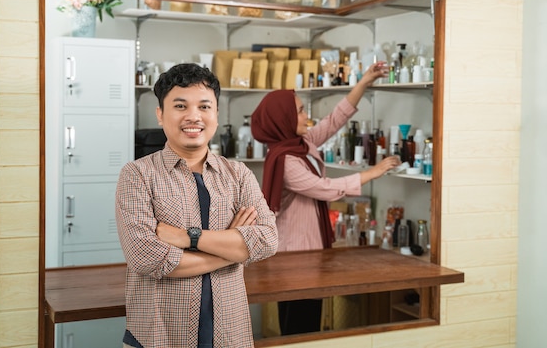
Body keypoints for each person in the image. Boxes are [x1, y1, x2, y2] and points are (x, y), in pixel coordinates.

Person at [116, 63, 278, 348]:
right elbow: (146, 257)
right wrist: (234, 252)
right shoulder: (138, 174)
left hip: (230, 335)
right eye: (180, 106)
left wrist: (187, 237)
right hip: (160, 337)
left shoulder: (238, 174)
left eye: (204, 106)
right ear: (160, 115)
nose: (194, 116)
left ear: (216, 114)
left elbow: (266, 240)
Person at [250, 62, 400, 336]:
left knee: (304, 322)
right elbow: (325, 188)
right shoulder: (286, 160)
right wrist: (373, 173)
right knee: (300, 326)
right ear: (283, 118)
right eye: (300, 110)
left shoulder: (300, 143)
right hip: (296, 253)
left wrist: (364, 82)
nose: (307, 115)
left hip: (309, 249)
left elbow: (334, 121)